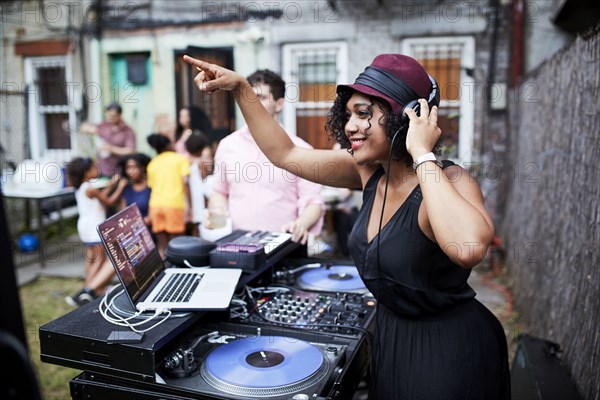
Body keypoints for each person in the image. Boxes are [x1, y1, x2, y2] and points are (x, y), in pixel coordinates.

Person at [183, 54, 510, 399]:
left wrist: (421, 153)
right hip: (390, 339)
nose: (351, 125)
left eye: (364, 114)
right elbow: (286, 155)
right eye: (349, 114)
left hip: (448, 352)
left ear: (407, 116)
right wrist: (241, 89)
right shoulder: (368, 171)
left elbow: (468, 249)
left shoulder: (450, 180)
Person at [206, 69, 325, 245]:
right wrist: (217, 210)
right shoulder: (227, 145)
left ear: (279, 104)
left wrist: (301, 224)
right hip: (237, 248)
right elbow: (219, 192)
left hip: (283, 248)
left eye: (260, 98)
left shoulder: (301, 149)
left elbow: (313, 202)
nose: (252, 104)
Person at [65, 157, 127, 306]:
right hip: (94, 227)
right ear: (86, 173)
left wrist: (111, 185)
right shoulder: (91, 188)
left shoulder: (83, 187)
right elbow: (109, 201)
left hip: (85, 227)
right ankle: (88, 291)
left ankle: (90, 289)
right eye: (93, 168)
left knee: (92, 260)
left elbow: (101, 197)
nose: (97, 170)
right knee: (99, 261)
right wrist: (120, 187)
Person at [146, 133, 191, 258]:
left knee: (162, 247)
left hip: (155, 207)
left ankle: (161, 275)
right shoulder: (180, 159)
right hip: (174, 205)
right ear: (169, 145)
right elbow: (185, 182)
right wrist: (190, 207)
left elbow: (152, 188)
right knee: (178, 246)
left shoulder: (152, 163)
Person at [80, 102, 137, 178]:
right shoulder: (104, 125)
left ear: (119, 115)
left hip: (118, 172)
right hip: (101, 169)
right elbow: (83, 128)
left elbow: (131, 151)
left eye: (112, 116)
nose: (110, 118)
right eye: (108, 116)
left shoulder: (128, 131)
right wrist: (91, 129)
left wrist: (111, 148)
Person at [184, 131, 214, 237]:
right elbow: (204, 180)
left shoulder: (186, 161)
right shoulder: (200, 162)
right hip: (198, 197)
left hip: (189, 196)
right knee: (201, 224)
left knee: (193, 226)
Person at [117, 153, 152, 226]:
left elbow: (151, 217)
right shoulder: (126, 188)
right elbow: (123, 213)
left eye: (134, 167)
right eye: (128, 168)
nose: (131, 171)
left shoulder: (151, 185)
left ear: (142, 168)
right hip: (132, 229)